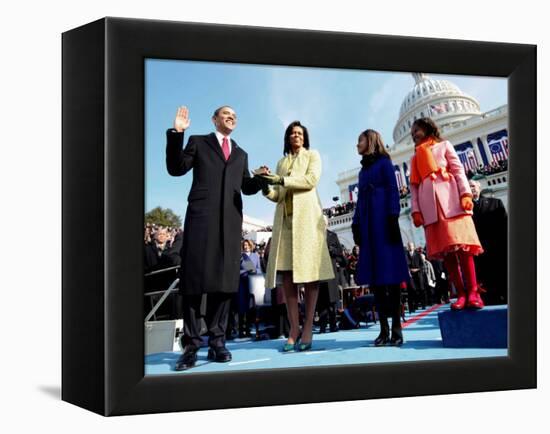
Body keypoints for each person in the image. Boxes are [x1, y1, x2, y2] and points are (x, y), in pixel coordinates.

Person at [166, 105, 265, 370]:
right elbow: (176, 168)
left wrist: (260, 179)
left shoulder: (241, 154)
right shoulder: (198, 142)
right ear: (214, 119)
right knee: (194, 282)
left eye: (235, 114)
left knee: (224, 282)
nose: (231, 116)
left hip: (230, 223)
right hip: (201, 219)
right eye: (226, 114)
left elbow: (246, 186)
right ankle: (191, 345)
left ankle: (218, 342)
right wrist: (177, 133)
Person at [257, 121, 335, 352]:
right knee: (288, 278)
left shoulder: (313, 156)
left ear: (305, 137)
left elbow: (311, 181)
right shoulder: (281, 162)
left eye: (300, 133)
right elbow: (278, 195)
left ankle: (308, 326)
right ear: (287, 138)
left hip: (307, 221)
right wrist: (265, 185)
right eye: (292, 133)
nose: (296, 135)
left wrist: (280, 180)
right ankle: (294, 328)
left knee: (310, 276)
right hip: (286, 223)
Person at [409, 117, 484, 311]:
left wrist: (465, 193)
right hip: (431, 209)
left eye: (417, 130)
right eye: (412, 132)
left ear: (427, 129)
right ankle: (460, 293)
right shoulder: (415, 158)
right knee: (448, 255)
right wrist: (416, 210)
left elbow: (458, 170)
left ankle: (473, 292)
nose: (414, 134)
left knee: (464, 250)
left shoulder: (444, 146)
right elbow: (414, 188)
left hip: (451, 201)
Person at [351, 129, 410, 346]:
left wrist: (393, 216)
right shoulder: (362, 171)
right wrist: (355, 223)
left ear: (371, 140)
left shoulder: (385, 163)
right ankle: (383, 328)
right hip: (368, 225)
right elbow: (359, 201)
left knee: (391, 278)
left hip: (384, 224)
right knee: (376, 280)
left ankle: (396, 329)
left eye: (360, 140)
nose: (357, 144)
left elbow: (393, 191)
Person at [469, 179, 508, 305]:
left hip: (499, 251)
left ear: (479, 187)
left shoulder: (495, 203)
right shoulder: (465, 210)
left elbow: (505, 227)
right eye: (469, 187)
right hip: (480, 255)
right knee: (488, 294)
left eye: (473, 186)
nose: (472, 188)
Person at [317, 217, 346, 333]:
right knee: (321, 302)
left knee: (332, 301)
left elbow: (339, 251)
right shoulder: (315, 236)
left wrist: (332, 250)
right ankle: (323, 326)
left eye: (324, 222)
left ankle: (333, 325)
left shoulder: (333, 236)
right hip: (319, 272)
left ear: (327, 223)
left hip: (331, 272)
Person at [237, 239, 263, 337]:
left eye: (247, 245)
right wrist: (246, 271)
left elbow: (259, 269)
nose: (246, 246)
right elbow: (237, 271)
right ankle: (241, 331)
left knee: (250, 307)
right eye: (244, 245)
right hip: (242, 283)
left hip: (252, 283)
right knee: (241, 306)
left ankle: (248, 329)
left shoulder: (255, 256)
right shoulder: (240, 256)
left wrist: (254, 271)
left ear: (250, 246)